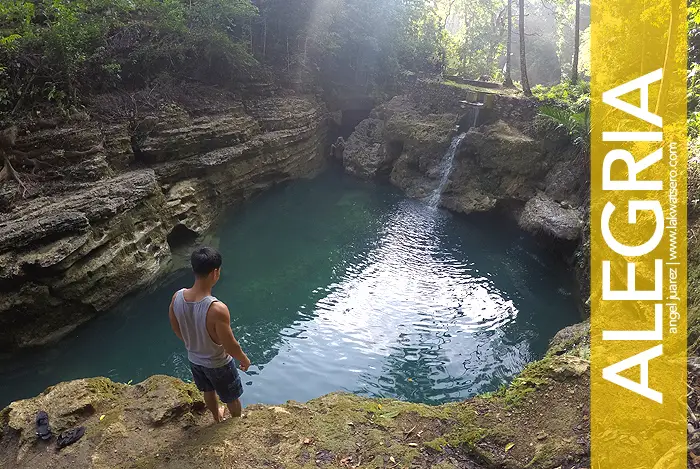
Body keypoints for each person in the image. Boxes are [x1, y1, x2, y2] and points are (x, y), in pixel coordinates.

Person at [169, 246, 251, 422]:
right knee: (231, 397)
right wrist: (243, 359)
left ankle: (216, 418)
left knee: (208, 390)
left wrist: (193, 343)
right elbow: (230, 345)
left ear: (194, 269)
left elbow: (176, 328)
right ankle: (235, 422)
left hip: (194, 360)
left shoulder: (177, 297)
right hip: (218, 363)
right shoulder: (217, 309)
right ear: (215, 272)